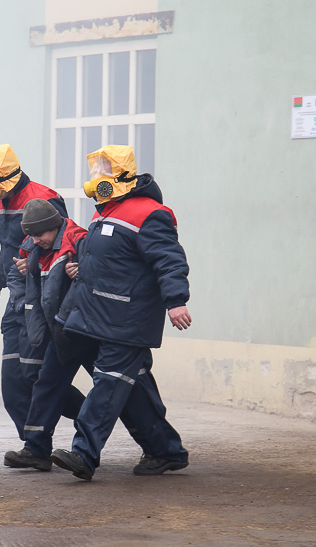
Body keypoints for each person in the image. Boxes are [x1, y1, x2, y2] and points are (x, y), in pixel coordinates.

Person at [50, 144, 192, 481]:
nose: (96, 178)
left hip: (128, 320)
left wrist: (176, 301)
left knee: (108, 385)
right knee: (133, 387)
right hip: (102, 317)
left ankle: (83, 455)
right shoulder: (105, 211)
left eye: (103, 171)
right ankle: (166, 451)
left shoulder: (150, 212)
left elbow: (170, 261)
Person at [0, 144, 85, 444]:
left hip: (42, 299)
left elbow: (62, 243)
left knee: (36, 377)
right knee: (12, 384)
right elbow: (8, 251)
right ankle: (33, 446)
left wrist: (35, 263)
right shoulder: (1, 201)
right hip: (16, 296)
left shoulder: (43, 198)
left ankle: (89, 415)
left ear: (2, 175)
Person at [2, 199, 100, 471]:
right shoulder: (33, 246)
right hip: (61, 330)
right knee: (46, 384)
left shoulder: (78, 240)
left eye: (40, 234)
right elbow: (17, 272)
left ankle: (162, 448)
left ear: (54, 227)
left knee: (117, 391)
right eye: (31, 235)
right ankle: (36, 449)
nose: (35, 240)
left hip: (86, 329)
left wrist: (81, 271)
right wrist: (23, 291)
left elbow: (103, 271)